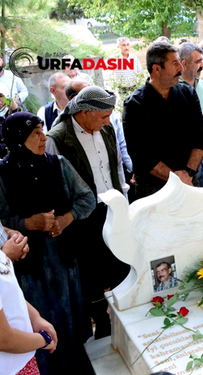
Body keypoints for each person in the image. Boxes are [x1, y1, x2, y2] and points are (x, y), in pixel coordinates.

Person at [0, 112, 96, 374]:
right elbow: (0, 221)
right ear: (18, 140)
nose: (44, 138)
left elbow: (87, 198)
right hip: (30, 269)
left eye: (43, 131)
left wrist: (66, 219)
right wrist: (28, 224)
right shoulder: (3, 173)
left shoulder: (58, 164)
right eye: (35, 134)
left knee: (71, 323)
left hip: (64, 262)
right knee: (41, 323)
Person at [45, 86, 131, 339]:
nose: (107, 121)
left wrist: (123, 204)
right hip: (82, 216)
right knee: (91, 272)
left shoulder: (106, 129)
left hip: (113, 209)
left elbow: (116, 168)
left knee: (120, 263)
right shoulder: (58, 137)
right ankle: (101, 322)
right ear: (84, 112)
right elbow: (55, 183)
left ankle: (125, 315)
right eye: (103, 116)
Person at [123, 42, 203, 199]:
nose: (180, 69)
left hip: (191, 179)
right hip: (154, 189)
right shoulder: (135, 104)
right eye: (174, 63)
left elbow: (200, 137)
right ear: (156, 69)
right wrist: (176, 178)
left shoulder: (188, 94)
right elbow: (141, 155)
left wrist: (188, 173)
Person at [0, 227, 59, 375]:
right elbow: (4, 339)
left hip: (20, 361)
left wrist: (34, 316)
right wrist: (43, 339)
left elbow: (8, 294)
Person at [178, 43, 203, 111]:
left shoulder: (202, 84)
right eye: (198, 61)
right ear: (184, 64)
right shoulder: (172, 88)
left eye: (202, 60)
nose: (202, 65)